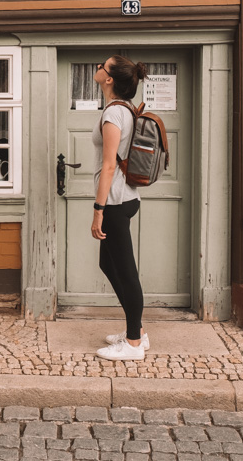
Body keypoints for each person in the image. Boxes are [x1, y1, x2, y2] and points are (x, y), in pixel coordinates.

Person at [91, 55, 149, 361]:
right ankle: (135, 329)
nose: (97, 67)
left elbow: (110, 165)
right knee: (108, 264)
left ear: (109, 78)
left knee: (126, 272)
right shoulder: (124, 109)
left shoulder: (114, 113)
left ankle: (134, 344)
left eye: (102, 65)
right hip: (126, 198)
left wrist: (98, 209)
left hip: (114, 201)